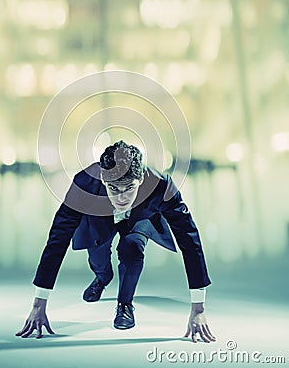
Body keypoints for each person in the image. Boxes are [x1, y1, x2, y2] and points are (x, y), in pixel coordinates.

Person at [16, 140, 216, 343]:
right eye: (113, 188)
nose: (121, 197)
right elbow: (57, 240)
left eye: (128, 188)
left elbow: (190, 240)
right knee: (98, 258)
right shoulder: (84, 184)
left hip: (140, 218)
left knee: (132, 249)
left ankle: (125, 305)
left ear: (140, 178)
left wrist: (198, 309)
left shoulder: (162, 185)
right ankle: (102, 278)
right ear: (103, 179)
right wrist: (38, 306)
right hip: (99, 217)